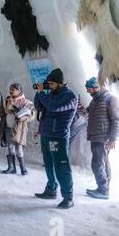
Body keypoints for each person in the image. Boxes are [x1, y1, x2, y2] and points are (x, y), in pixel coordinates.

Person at [34, 69, 77, 209]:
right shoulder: (51, 94)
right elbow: (38, 107)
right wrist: (38, 93)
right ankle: (51, 190)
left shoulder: (70, 96)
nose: (50, 86)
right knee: (49, 165)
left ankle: (68, 197)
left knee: (61, 167)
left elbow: (54, 107)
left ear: (60, 83)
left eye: (52, 84)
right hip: (46, 135)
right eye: (48, 84)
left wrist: (42, 94)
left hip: (58, 137)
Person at [84, 77, 119, 200]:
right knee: (103, 163)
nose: (88, 92)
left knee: (97, 164)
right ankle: (103, 188)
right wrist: (81, 109)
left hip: (103, 138)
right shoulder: (95, 100)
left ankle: (103, 190)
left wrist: (113, 138)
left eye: (89, 89)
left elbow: (116, 120)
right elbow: (87, 112)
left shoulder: (110, 99)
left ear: (96, 87)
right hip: (95, 136)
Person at [0, 83, 36, 175]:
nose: (11, 91)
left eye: (13, 89)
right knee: (10, 147)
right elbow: (0, 113)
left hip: (19, 129)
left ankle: (23, 169)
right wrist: (7, 108)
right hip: (7, 127)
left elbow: (32, 115)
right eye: (10, 89)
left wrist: (21, 116)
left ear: (19, 91)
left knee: (19, 149)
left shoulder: (26, 102)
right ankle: (11, 168)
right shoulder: (7, 100)